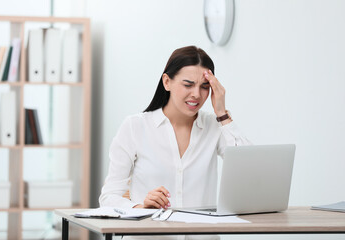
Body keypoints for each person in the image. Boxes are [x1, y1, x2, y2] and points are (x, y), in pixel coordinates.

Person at [99, 46, 252, 239]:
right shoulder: (135, 127)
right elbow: (108, 197)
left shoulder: (215, 127)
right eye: (188, 85)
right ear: (167, 82)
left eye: (205, 87)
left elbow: (249, 172)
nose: (197, 94)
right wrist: (140, 208)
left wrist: (222, 114)